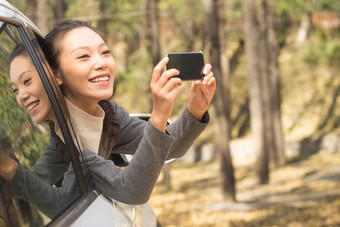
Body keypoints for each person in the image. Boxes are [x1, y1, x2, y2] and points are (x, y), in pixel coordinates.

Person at [2, 20, 216, 218]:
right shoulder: (71, 141)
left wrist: (194, 109)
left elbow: (171, 146)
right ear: (55, 75)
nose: (101, 62)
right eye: (83, 56)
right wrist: (159, 114)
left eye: (105, 52)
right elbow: (133, 190)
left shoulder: (108, 113)